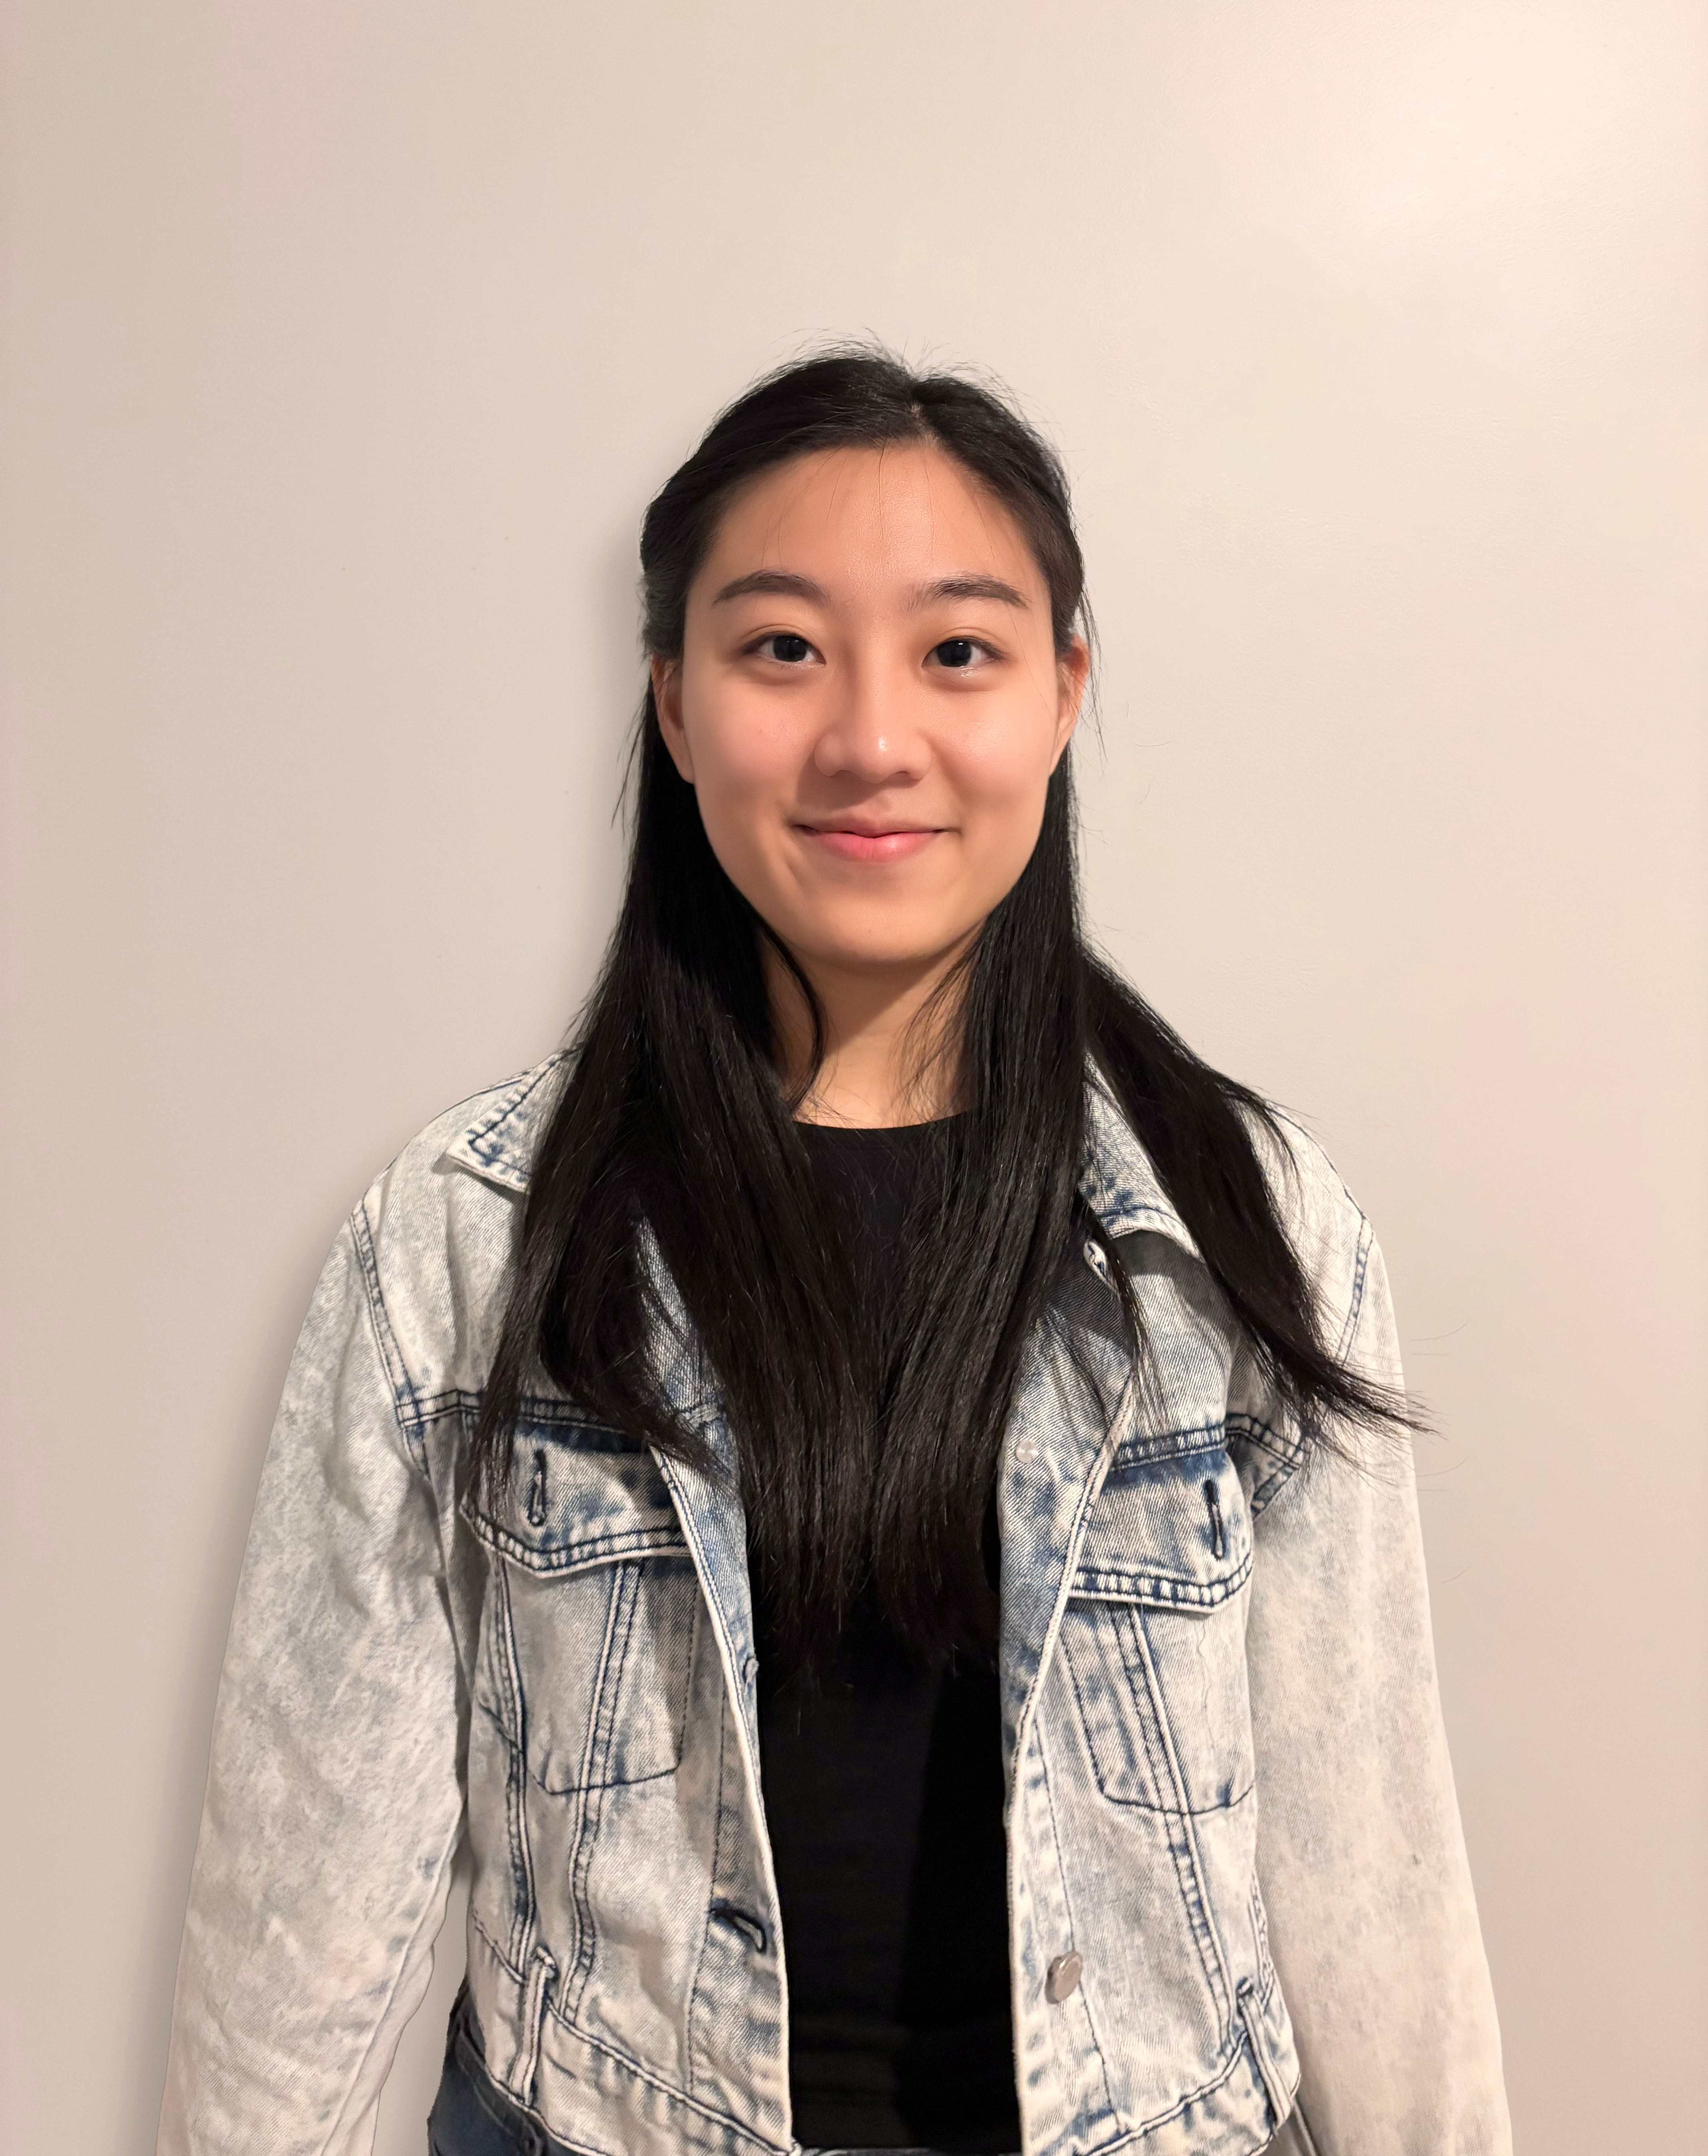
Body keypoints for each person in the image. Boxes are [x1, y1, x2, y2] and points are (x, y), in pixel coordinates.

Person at [157, 350, 1510, 2156]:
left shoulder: (1243, 1235)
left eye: (960, 651)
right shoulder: (461, 1246)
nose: (873, 737)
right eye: (782, 647)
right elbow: (295, 1922)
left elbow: (1377, 1891)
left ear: (1061, 694)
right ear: (672, 700)